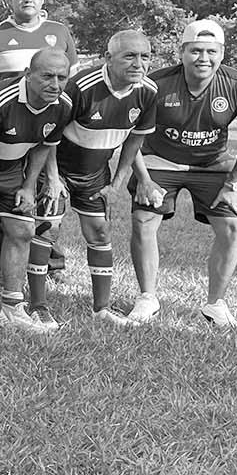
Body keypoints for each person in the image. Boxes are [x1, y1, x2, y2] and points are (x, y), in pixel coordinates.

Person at [128, 20, 237, 326]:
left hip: (212, 164)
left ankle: (216, 304)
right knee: (143, 218)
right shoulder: (156, 83)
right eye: (195, 51)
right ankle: (147, 298)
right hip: (160, 161)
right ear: (182, 52)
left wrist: (234, 183)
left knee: (233, 227)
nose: (203, 58)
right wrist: (144, 179)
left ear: (221, 53)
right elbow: (128, 133)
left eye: (211, 51)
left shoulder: (235, 83)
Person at [0, 0, 80, 281]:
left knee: (49, 193)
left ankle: (49, 263)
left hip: (42, 126)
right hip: (3, 128)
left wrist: (53, 173)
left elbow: (69, 81)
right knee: (1, 198)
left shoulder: (58, 32)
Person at [53, 30, 157, 327]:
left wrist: (117, 184)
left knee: (100, 233)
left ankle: (102, 309)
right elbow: (48, 134)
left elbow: (134, 140)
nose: (139, 63)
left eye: (145, 56)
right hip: (58, 168)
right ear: (109, 58)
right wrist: (51, 177)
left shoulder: (148, 91)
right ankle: (36, 307)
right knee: (46, 230)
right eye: (130, 56)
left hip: (95, 174)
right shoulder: (80, 87)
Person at [0, 50, 75, 333]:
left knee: (23, 231)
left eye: (62, 77)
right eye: (47, 76)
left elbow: (44, 144)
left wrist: (29, 185)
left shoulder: (63, 105)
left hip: (11, 172)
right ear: (27, 74)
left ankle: (12, 309)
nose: (55, 84)